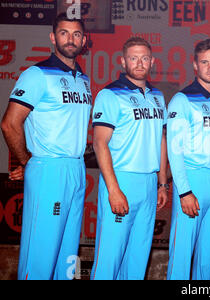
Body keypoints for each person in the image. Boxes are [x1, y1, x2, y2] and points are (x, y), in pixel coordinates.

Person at [1, 13, 91, 280]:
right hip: (48, 169)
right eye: (64, 33)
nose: (70, 39)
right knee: (41, 254)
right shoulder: (36, 74)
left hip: (76, 170)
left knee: (67, 257)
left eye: (76, 34)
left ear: (84, 40)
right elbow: (9, 124)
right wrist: (27, 161)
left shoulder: (83, 79)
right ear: (53, 38)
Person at [89, 37, 168, 280]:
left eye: (144, 58)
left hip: (148, 184)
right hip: (120, 180)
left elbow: (161, 141)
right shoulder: (110, 94)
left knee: (137, 259)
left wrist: (162, 182)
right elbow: (99, 142)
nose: (139, 63)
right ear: (123, 61)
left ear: (152, 62)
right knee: (109, 260)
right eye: (134, 58)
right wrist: (113, 189)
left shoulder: (158, 96)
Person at [166, 39, 210, 280]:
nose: (209, 67)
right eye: (204, 62)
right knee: (181, 257)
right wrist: (184, 191)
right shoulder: (181, 100)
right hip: (192, 182)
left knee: (208, 260)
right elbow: (174, 150)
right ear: (195, 65)